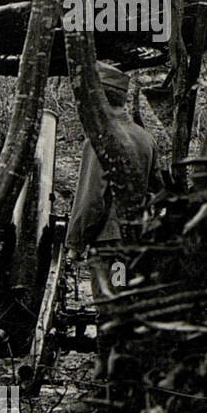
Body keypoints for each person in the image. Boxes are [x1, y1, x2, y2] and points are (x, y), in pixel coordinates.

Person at [65, 62, 160, 299]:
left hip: (110, 246)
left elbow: (91, 200)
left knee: (111, 310)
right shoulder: (146, 139)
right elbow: (158, 190)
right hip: (139, 243)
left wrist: (76, 243)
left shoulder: (100, 139)